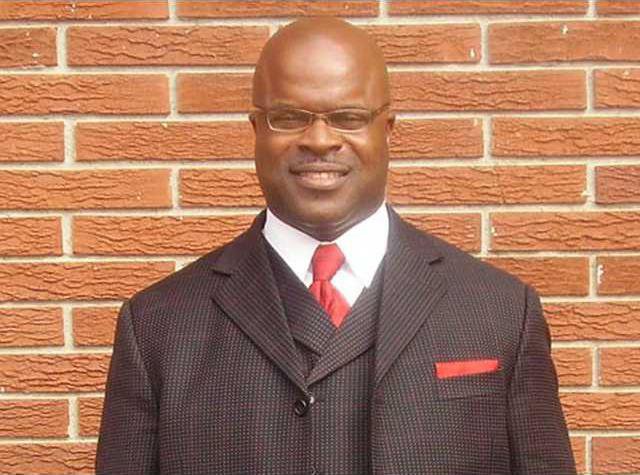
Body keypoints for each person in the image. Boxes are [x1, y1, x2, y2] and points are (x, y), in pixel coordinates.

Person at [96, 17, 577, 475]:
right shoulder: (158, 327)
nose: (320, 140)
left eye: (347, 117)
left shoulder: (501, 313)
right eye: (289, 117)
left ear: (387, 129)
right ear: (256, 130)